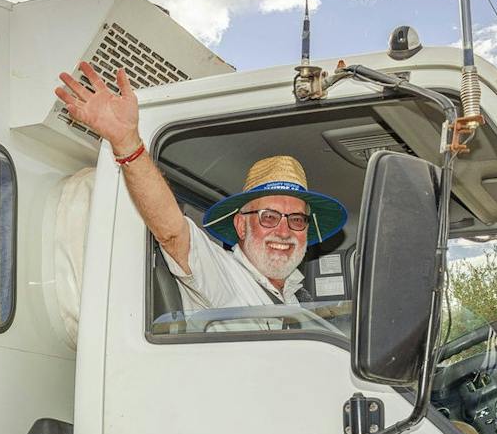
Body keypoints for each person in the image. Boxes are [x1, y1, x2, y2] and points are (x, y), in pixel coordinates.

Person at [54, 62, 347, 320]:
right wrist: (127, 143)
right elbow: (171, 232)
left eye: (296, 220)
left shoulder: (295, 300)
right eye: (269, 217)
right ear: (241, 224)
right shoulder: (220, 272)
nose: (284, 232)